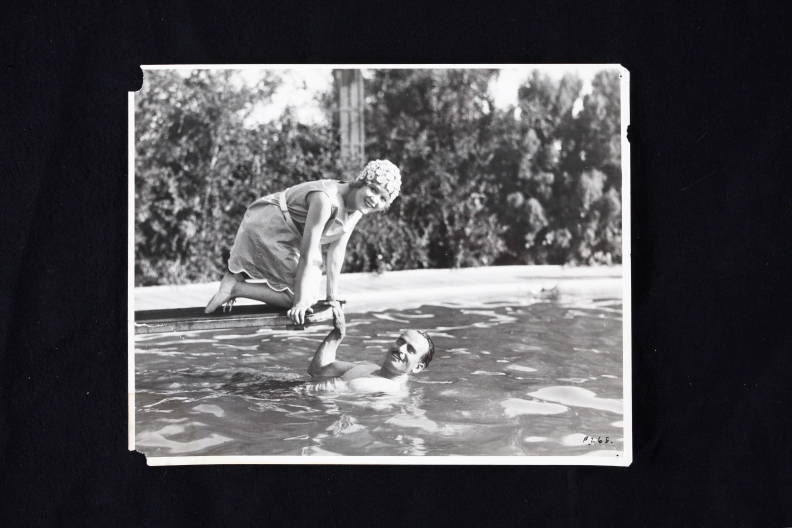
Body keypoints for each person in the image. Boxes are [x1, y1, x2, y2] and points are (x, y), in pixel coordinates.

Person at [204, 160, 402, 324]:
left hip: (287, 234)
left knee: (309, 296)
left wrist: (332, 297)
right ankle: (234, 287)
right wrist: (298, 302)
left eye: (383, 199)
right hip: (268, 224)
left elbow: (336, 252)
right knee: (298, 297)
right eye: (374, 189)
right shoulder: (326, 200)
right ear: (361, 181)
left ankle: (236, 283)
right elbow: (309, 254)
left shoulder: (358, 209)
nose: (375, 200)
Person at [307, 303, 435, 394]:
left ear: (418, 367)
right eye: (401, 341)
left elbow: (315, 390)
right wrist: (337, 335)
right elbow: (317, 371)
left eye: (410, 349)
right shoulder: (367, 367)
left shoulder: (387, 390)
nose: (401, 349)